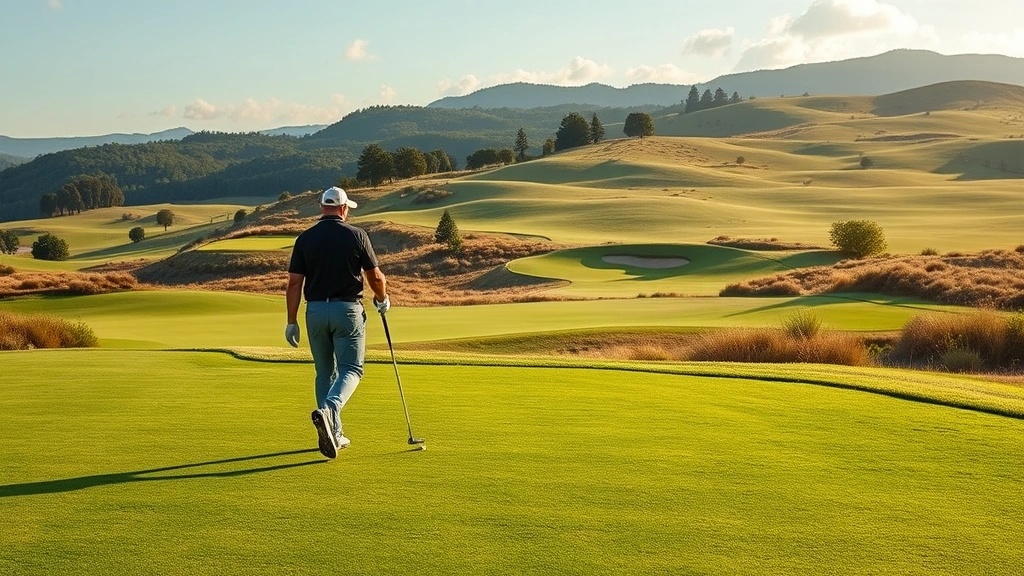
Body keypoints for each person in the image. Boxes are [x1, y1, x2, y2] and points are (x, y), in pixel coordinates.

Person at [285, 186, 390, 459]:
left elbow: (294, 283)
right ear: (343, 209)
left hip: (316, 312)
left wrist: (291, 321)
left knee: (324, 374)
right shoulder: (356, 235)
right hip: (347, 311)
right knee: (352, 370)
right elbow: (376, 277)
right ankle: (330, 409)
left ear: (322, 207)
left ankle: (335, 433)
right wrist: (382, 299)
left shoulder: (305, 239)